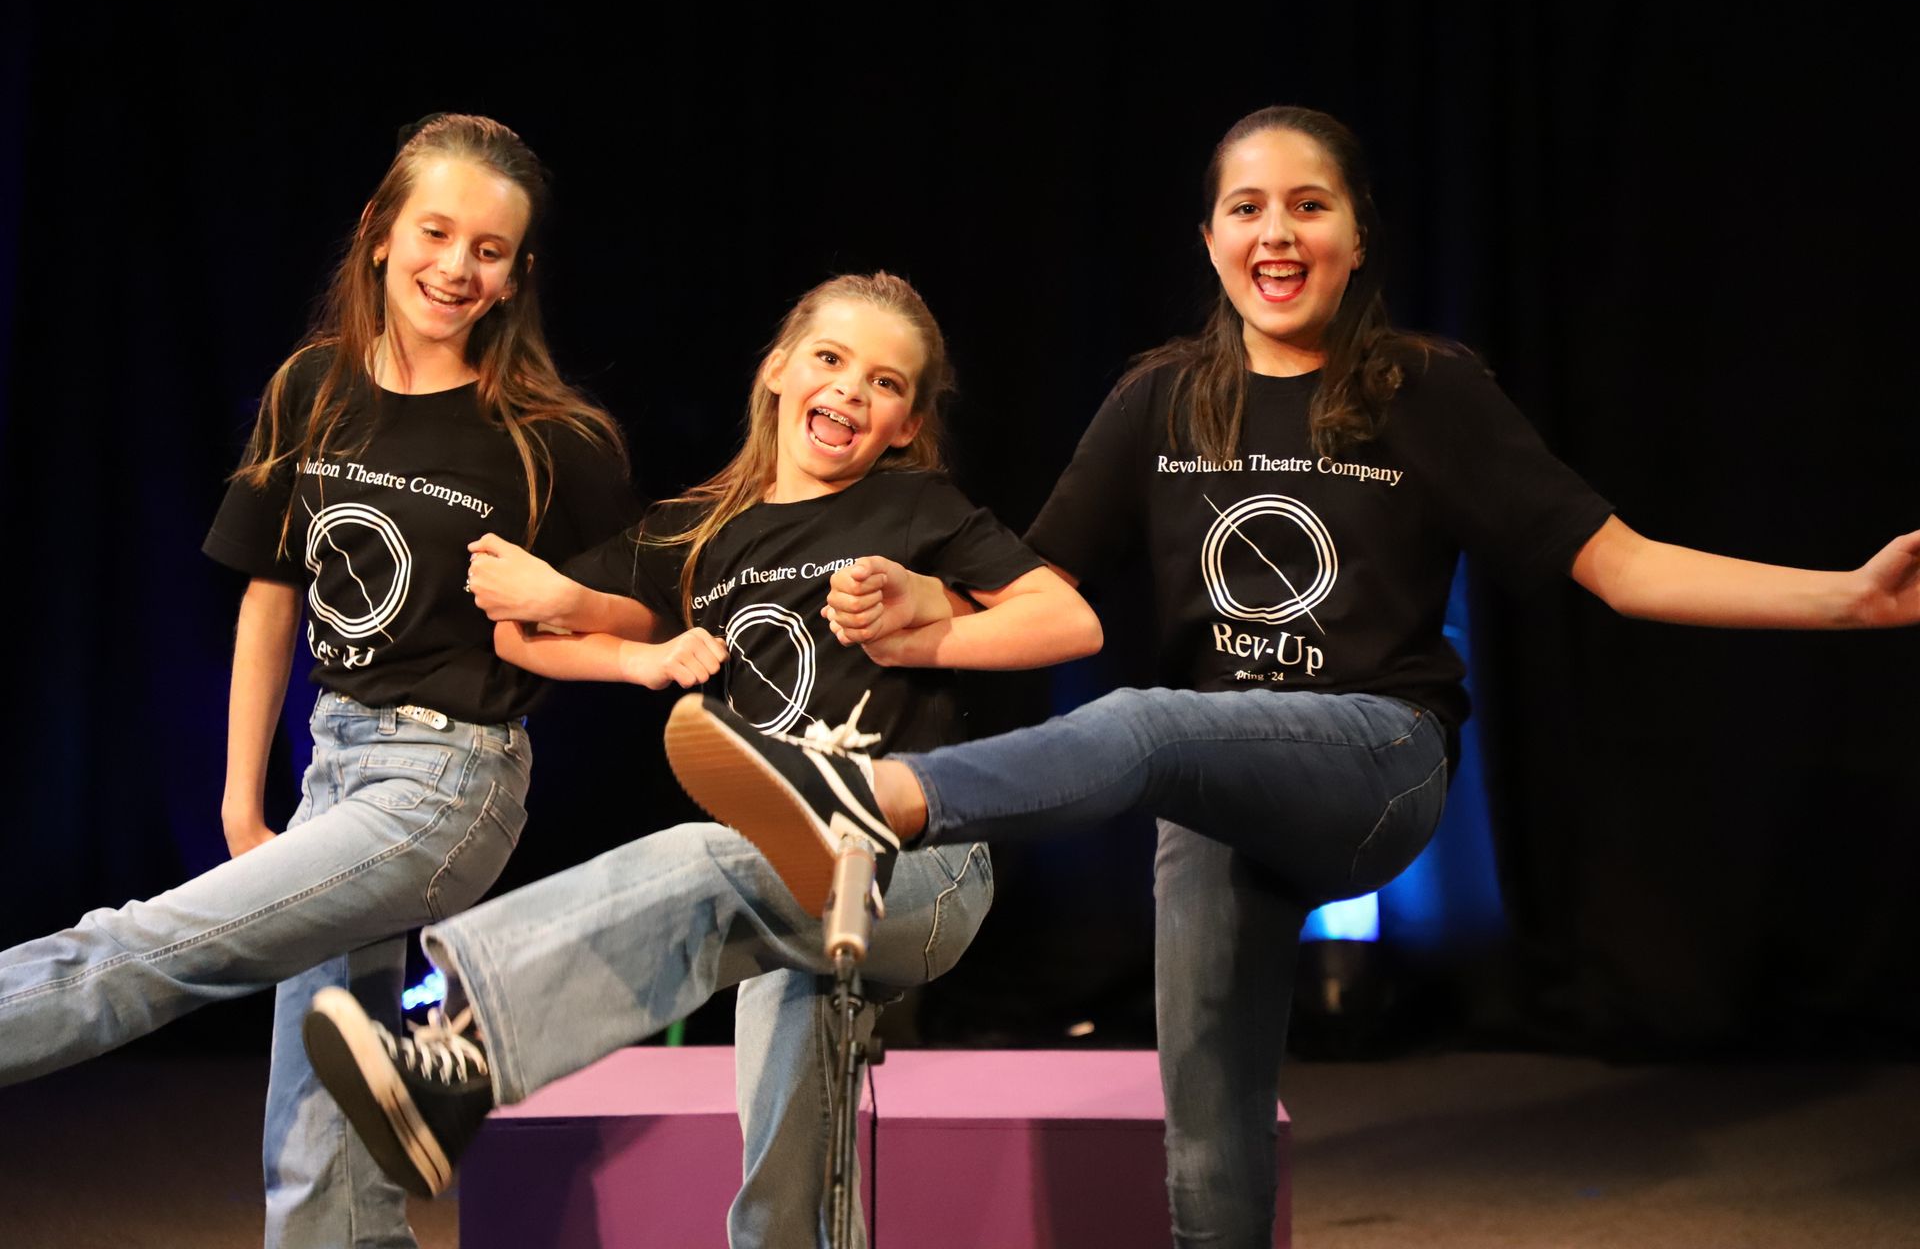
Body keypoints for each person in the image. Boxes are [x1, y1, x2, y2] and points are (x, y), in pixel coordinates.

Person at [659, 106, 1920, 1248]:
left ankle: (869, 803)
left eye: (1309, 204)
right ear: (1209, 238)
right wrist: (921, 603)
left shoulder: (1428, 390)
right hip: (1209, 782)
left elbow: (1624, 566)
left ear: (1357, 236)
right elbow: (1032, 583)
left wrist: (1854, 599)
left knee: (1153, 723)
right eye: (1247, 206)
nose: (1278, 230)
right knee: (1208, 1146)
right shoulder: (1159, 397)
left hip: (1375, 758)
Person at [299, 271, 1102, 1247]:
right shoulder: (695, 533)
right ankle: (465, 1066)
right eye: (832, 359)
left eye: (887, 384)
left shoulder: (913, 506)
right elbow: (528, 637)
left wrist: (922, 619)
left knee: (706, 857)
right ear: (777, 370)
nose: (853, 390)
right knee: (781, 1189)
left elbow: (1069, 620)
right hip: (780, 880)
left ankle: (459, 1052)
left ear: (904, 425)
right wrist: (618, 638)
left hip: (919, 863)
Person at [0, 113, 636, 1249]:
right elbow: (269, 599)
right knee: (317, 1135)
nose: (456, 266)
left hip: (449, 781)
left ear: (515, 275)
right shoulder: (314, 389)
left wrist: (569, 595)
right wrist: (243, 800)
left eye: (489, 250)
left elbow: (649, 607)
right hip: (332, 769)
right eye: (436, 232)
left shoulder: (551, 436)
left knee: (145, 949)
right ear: (380, 235)